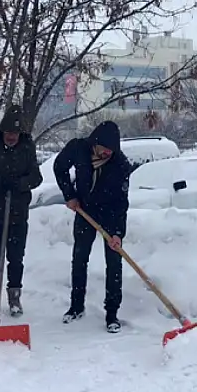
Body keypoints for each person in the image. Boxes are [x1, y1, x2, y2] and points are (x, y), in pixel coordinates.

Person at [53, 120, 131, 333]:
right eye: (104, 149)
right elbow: (59, 167)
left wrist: (117, 233)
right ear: (95, 142)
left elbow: (121, 202)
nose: (107, 153)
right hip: (84, 210)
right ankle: (76, 306)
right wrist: (70, 195)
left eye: (111, 150)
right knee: (79, 258)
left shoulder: (121, 164)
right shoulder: (78, 148)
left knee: (114, 263)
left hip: (110, 214)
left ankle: (112, 314)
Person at [0, 104, 43, 316]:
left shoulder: (27, 147)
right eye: (9, 133)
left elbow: (36, 177)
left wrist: (20, 184)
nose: (12, 137)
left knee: (16, 257)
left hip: (17, 213)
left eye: (16, 133)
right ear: (2, 131)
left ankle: (14, 296)